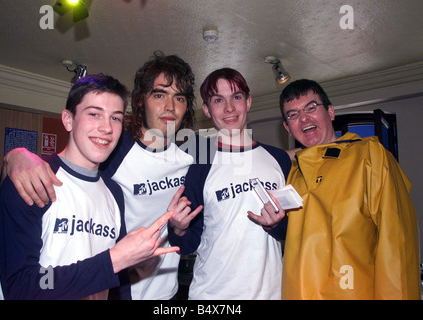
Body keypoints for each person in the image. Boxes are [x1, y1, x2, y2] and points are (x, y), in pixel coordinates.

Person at [1, 51, 202, 300]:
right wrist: (15, 155)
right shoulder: (38, 181)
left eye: (115, 118)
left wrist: (178, 230)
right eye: (94, 114)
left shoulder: (192, 157)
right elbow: (23, 285)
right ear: (68, 119)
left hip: (158, 292)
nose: (106, 128)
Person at [278, 79, 420, 299]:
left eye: (311, 108)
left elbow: (397, 242)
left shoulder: (369, 156)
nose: (304, 118)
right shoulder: (292, 174)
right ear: (287, 127)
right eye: (293, 114)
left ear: (331, 112)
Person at [168, 68, 291, 299]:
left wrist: (276, 225)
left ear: (248, 101)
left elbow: (294, 232)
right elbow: (187, 245)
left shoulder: (280, 160)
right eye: (218, 100)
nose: (229, 108)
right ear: (206, 109)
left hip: (272, 294)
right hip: (213, 296)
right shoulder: (199, 166)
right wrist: (177, 227)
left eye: (236, 97)